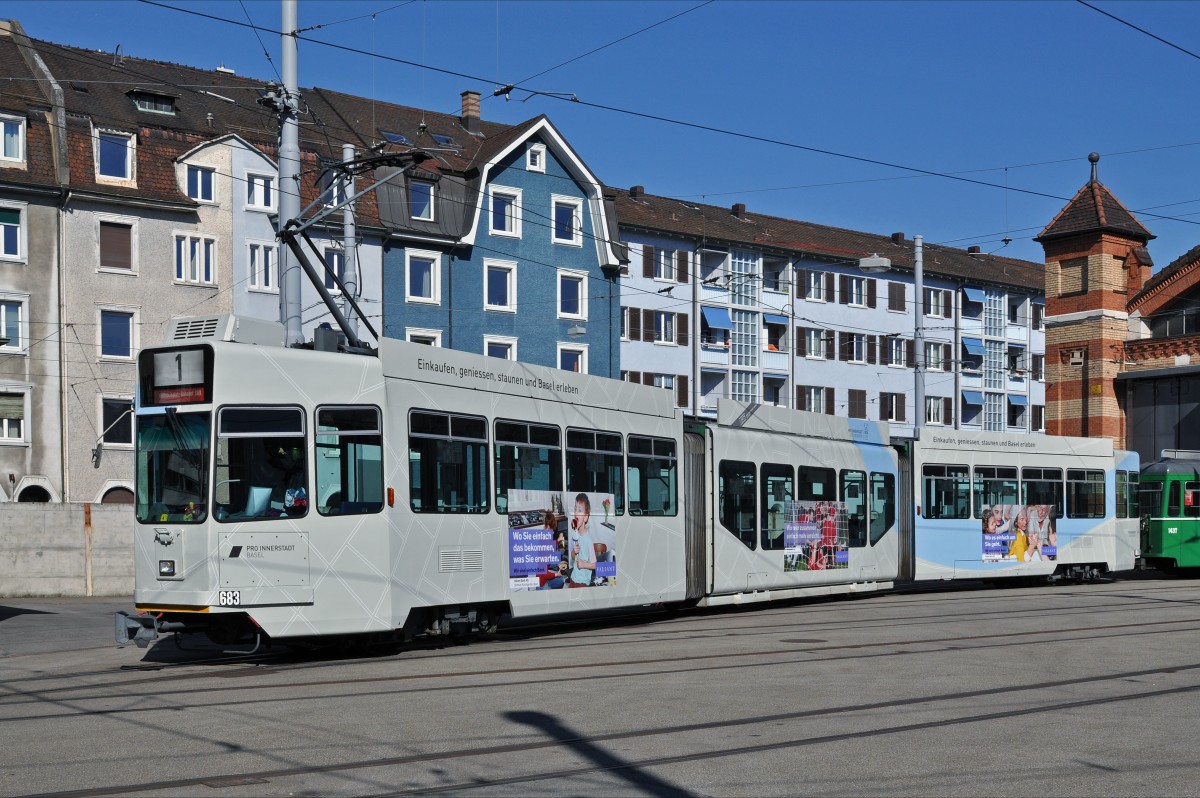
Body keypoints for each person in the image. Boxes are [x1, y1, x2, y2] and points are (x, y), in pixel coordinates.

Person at [568, 493, 597, 587]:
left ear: (585, 517)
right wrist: (573, 551)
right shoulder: (574, 535)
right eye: (575, 508)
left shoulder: (588, 540)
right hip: (573, 577)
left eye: (579, 510)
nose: (576, 512)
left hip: (583, 582)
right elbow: (572, 557)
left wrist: (584, 565)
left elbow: (595, 565)